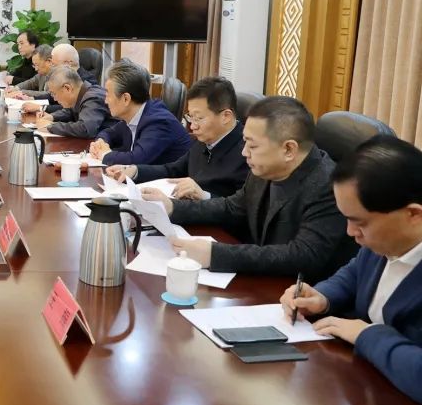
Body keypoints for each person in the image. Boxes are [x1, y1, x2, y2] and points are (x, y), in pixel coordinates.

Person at [144, 96, 356, 280]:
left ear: (289, 149)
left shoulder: (328, 185)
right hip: (264, 281)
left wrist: (215, 254)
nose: (244, 152)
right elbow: (232, 207)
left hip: (301, 297)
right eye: (245, 142)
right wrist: (172, 207)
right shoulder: (265, 168)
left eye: (252, 145)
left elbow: (303, 256)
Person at [281, 135, 422, 404]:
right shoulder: (383, 242)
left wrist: (366, 335)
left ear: (413, 214)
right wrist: (322, 297)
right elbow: (355, 272)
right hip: (364, 388)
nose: (350, 232)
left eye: (360, 222)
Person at [106, 76, 248, 199]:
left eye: (199, 118)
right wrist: (135, 171)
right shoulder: (204, 140)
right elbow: (173, 170)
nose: (193, 126)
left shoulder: (247, 152)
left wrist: (205, 196)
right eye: (190, 117)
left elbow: (241, 209)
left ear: (226, 116)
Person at [90, 60, 191, 166]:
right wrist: (100, 142)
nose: (106, 101)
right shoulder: (133, 116)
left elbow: (137, 160)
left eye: (108, 95)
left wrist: (104, 154)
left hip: (175, 176)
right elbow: (109, 133)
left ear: (126, 99)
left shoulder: (158, 122)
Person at [33, 66, 114, 138]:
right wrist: (52, 117)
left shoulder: (92, 98)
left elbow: (85, 129)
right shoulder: (83, 94)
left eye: (54, 94)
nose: (54, 99)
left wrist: (51, 126)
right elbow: (71, 111)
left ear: (67, 88)